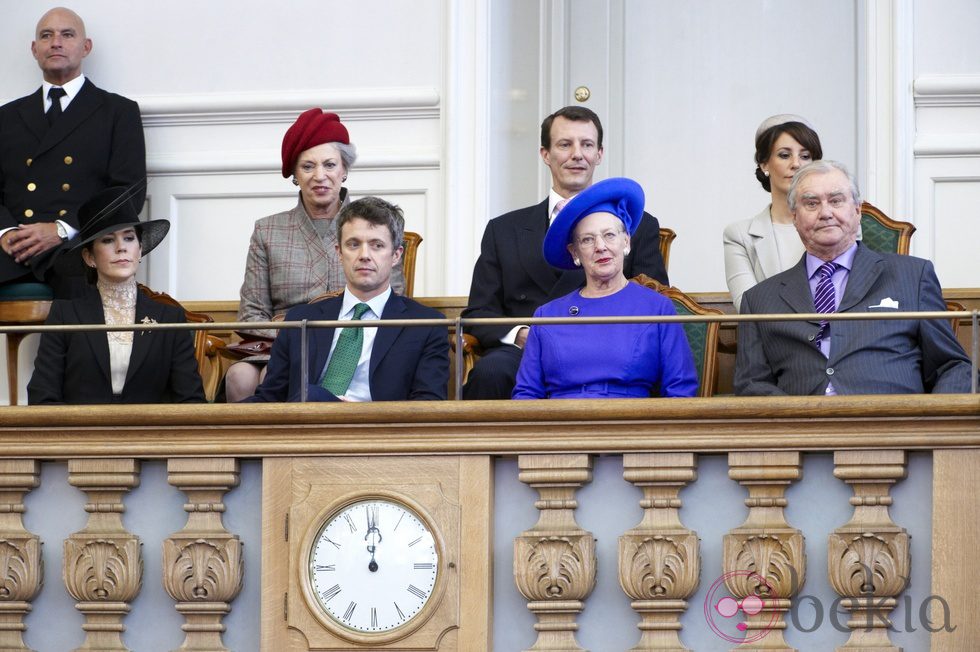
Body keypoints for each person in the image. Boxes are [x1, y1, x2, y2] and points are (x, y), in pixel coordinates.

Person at [463, 106, 669, 400]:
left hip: (610, 351)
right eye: (564, 144)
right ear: (545, 154)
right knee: (492, 371)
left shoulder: (637, 225)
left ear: (599, 153)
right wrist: (525, 335)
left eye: (586, 144)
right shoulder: (503, 230)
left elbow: (654, 299)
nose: (577, 154)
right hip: (525, 352)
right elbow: (479, 314)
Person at [735, 160, 973, 396]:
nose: (825, 213)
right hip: (802, 428)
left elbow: (952, 366)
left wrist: (932, 426)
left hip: (893, 425)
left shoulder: (912, 276)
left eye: (836, 201)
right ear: (795, 217)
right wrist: (796, 419)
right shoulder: (759, 299)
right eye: (811, 203)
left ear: (858, 210)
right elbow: (751, 385)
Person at [226, 108, 407, 401]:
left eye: (330, 164)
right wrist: (294, 338)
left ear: (344, 170)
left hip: (353, 338)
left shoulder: (375, 225)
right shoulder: (268, 231)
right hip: (284, 344)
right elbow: (251, 315)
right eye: (308, 167)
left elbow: (393, 300)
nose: (319, 176)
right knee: (243, 375)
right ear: (295, 175)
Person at [0, 7, 146, 298]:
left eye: (67, 35)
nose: (56, 42)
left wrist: (62, 229)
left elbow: (129, 191)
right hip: (11, 246)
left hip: (77, 243)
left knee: (82, 275)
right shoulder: (6, 116)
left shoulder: (118, 112)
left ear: (85, 47)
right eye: (46, 35)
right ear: (34, 49)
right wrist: (5, 232)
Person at [245, 197, 447, 403]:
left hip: (380, 430)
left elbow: (427, 405)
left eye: (377, 245)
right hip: (306, 427)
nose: (364, 255)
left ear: (396, 256)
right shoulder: (300, 320)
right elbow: (269, 399)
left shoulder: (426, 325)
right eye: (353, 244)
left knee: (311, 395)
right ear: (339, 253)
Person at [512, 178, 697, 399]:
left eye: (609, 235)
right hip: (560, 426)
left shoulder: (657, 308)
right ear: (574, 253)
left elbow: (680, 390)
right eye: (588, 240)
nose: (601, 247)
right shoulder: (547, 315)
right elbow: (526, 394)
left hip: (631, 425)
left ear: (626, 242)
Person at [27, 186, 205, 404]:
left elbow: (191, 402)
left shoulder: (170, 318)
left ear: (140, 250)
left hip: (151, 435)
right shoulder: (64, 315)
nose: (121, 248)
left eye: (129, 238)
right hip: (81, 435)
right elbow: (42, 397)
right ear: (89, 257)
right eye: (108, 240)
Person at [723, 114, 822, 312]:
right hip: (772, 339)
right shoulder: (739, 235)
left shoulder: (840, 224)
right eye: (784, 155)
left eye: (805, 156)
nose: (796, 164)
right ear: (764, 164)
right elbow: (747, 305)